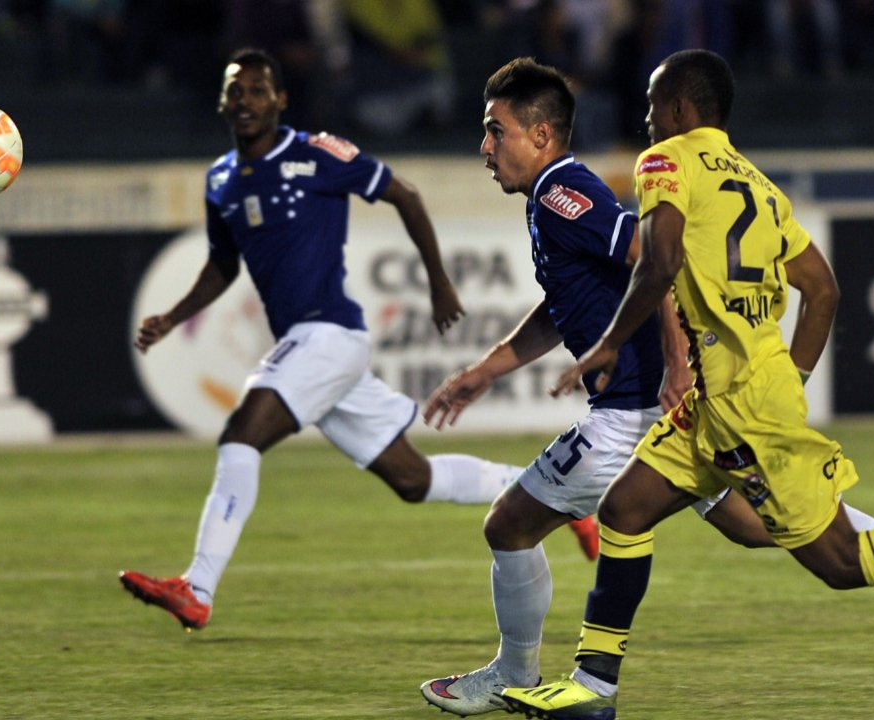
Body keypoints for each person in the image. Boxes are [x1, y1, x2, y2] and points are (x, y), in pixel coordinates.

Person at [501, 49, 874, 720]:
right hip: (724, 398)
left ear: (681, 109)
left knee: (840, 561)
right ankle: (593, 688)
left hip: (740, 403)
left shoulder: (664, 162)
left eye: (654, 104)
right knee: (626, 511)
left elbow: (658, 263)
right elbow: (823, 289)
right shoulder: (760, 185)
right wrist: (791, 380)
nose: (647, 118)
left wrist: (609, 343)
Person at [116, 48, 590, 632]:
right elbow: (222, 265)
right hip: (310, 348)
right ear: (221, 101)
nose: (245, 101)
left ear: (280, 99)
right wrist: (172, 317)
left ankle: (198, 587)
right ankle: (554, 498)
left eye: (258, 90)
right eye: (235, 90)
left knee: (242, 434)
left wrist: (439, 281)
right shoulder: (220, 181)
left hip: (329, 334)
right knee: (414, 479)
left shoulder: (317, 153)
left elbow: (404, 194)